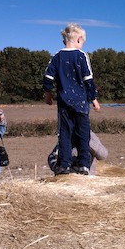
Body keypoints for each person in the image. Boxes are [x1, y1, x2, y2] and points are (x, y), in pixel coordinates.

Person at [43, 23, 100, 175]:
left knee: (65, 134)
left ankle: (64, 165)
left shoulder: (56, 56)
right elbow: (88, 79)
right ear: (79, 39)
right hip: (81, 104)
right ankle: (83, 164)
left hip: (63, 104)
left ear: (64, 41)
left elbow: (48, 77)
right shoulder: (82, 56)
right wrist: (93, 99)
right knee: (83, 133)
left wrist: (48, 93)